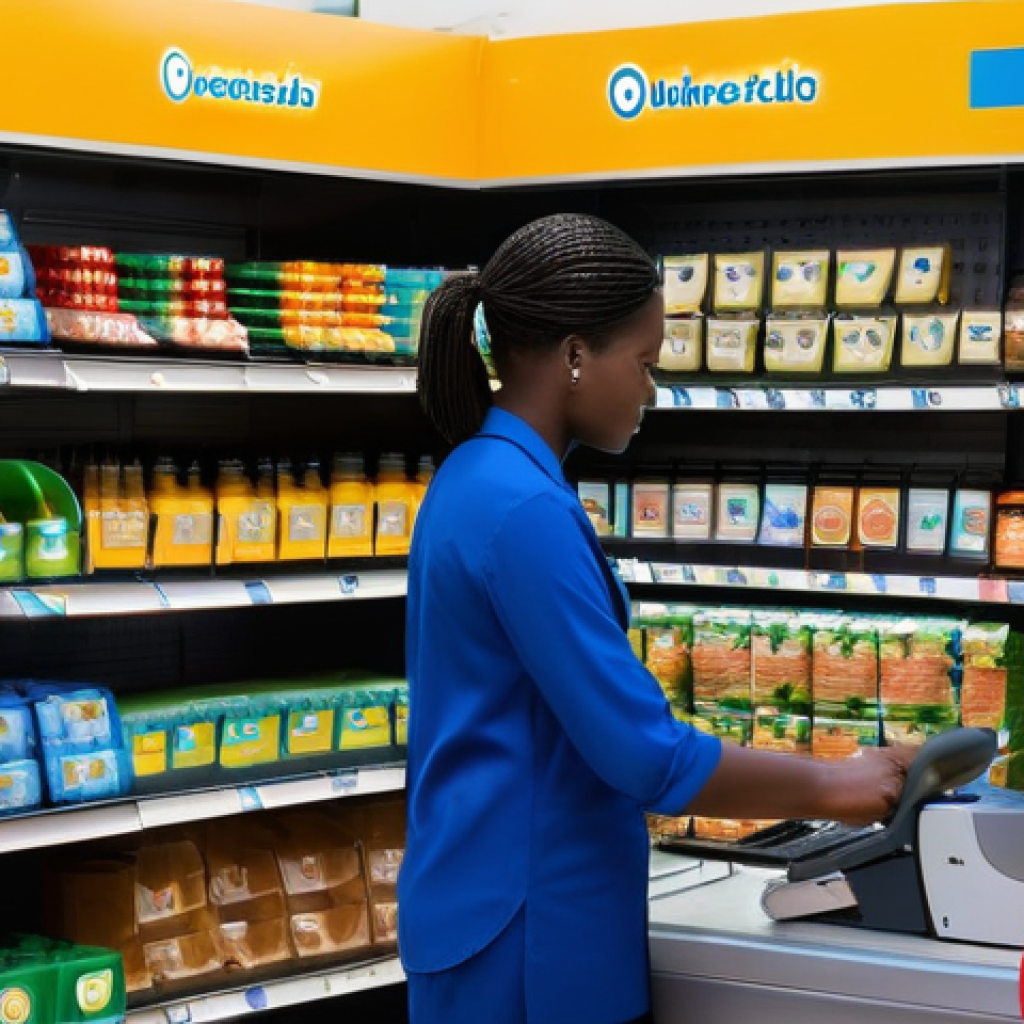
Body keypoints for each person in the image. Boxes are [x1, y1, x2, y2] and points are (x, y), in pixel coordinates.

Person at [399, 213, 912, 1024]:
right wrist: (837, 785)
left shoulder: (474, 477)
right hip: (535, 932)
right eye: (642, 363)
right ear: (575, 356)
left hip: (483, 910)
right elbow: (645, 757)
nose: (650, 389)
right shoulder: (523, 510)